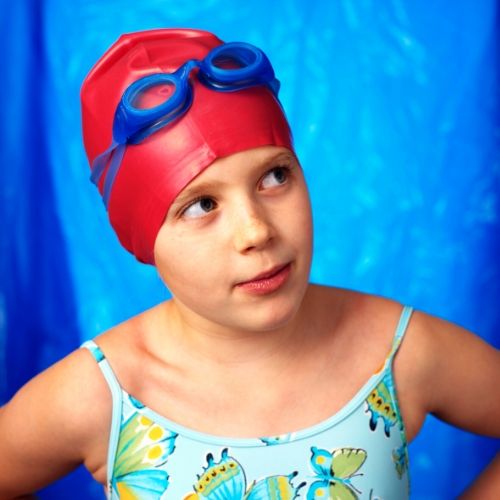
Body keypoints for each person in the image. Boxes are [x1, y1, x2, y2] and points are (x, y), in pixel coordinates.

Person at [0, 28, 498, 500]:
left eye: (275, 176)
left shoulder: (397, 353)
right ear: (143, 239)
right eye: (201, 205)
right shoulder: (107, 394)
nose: (257, 231)